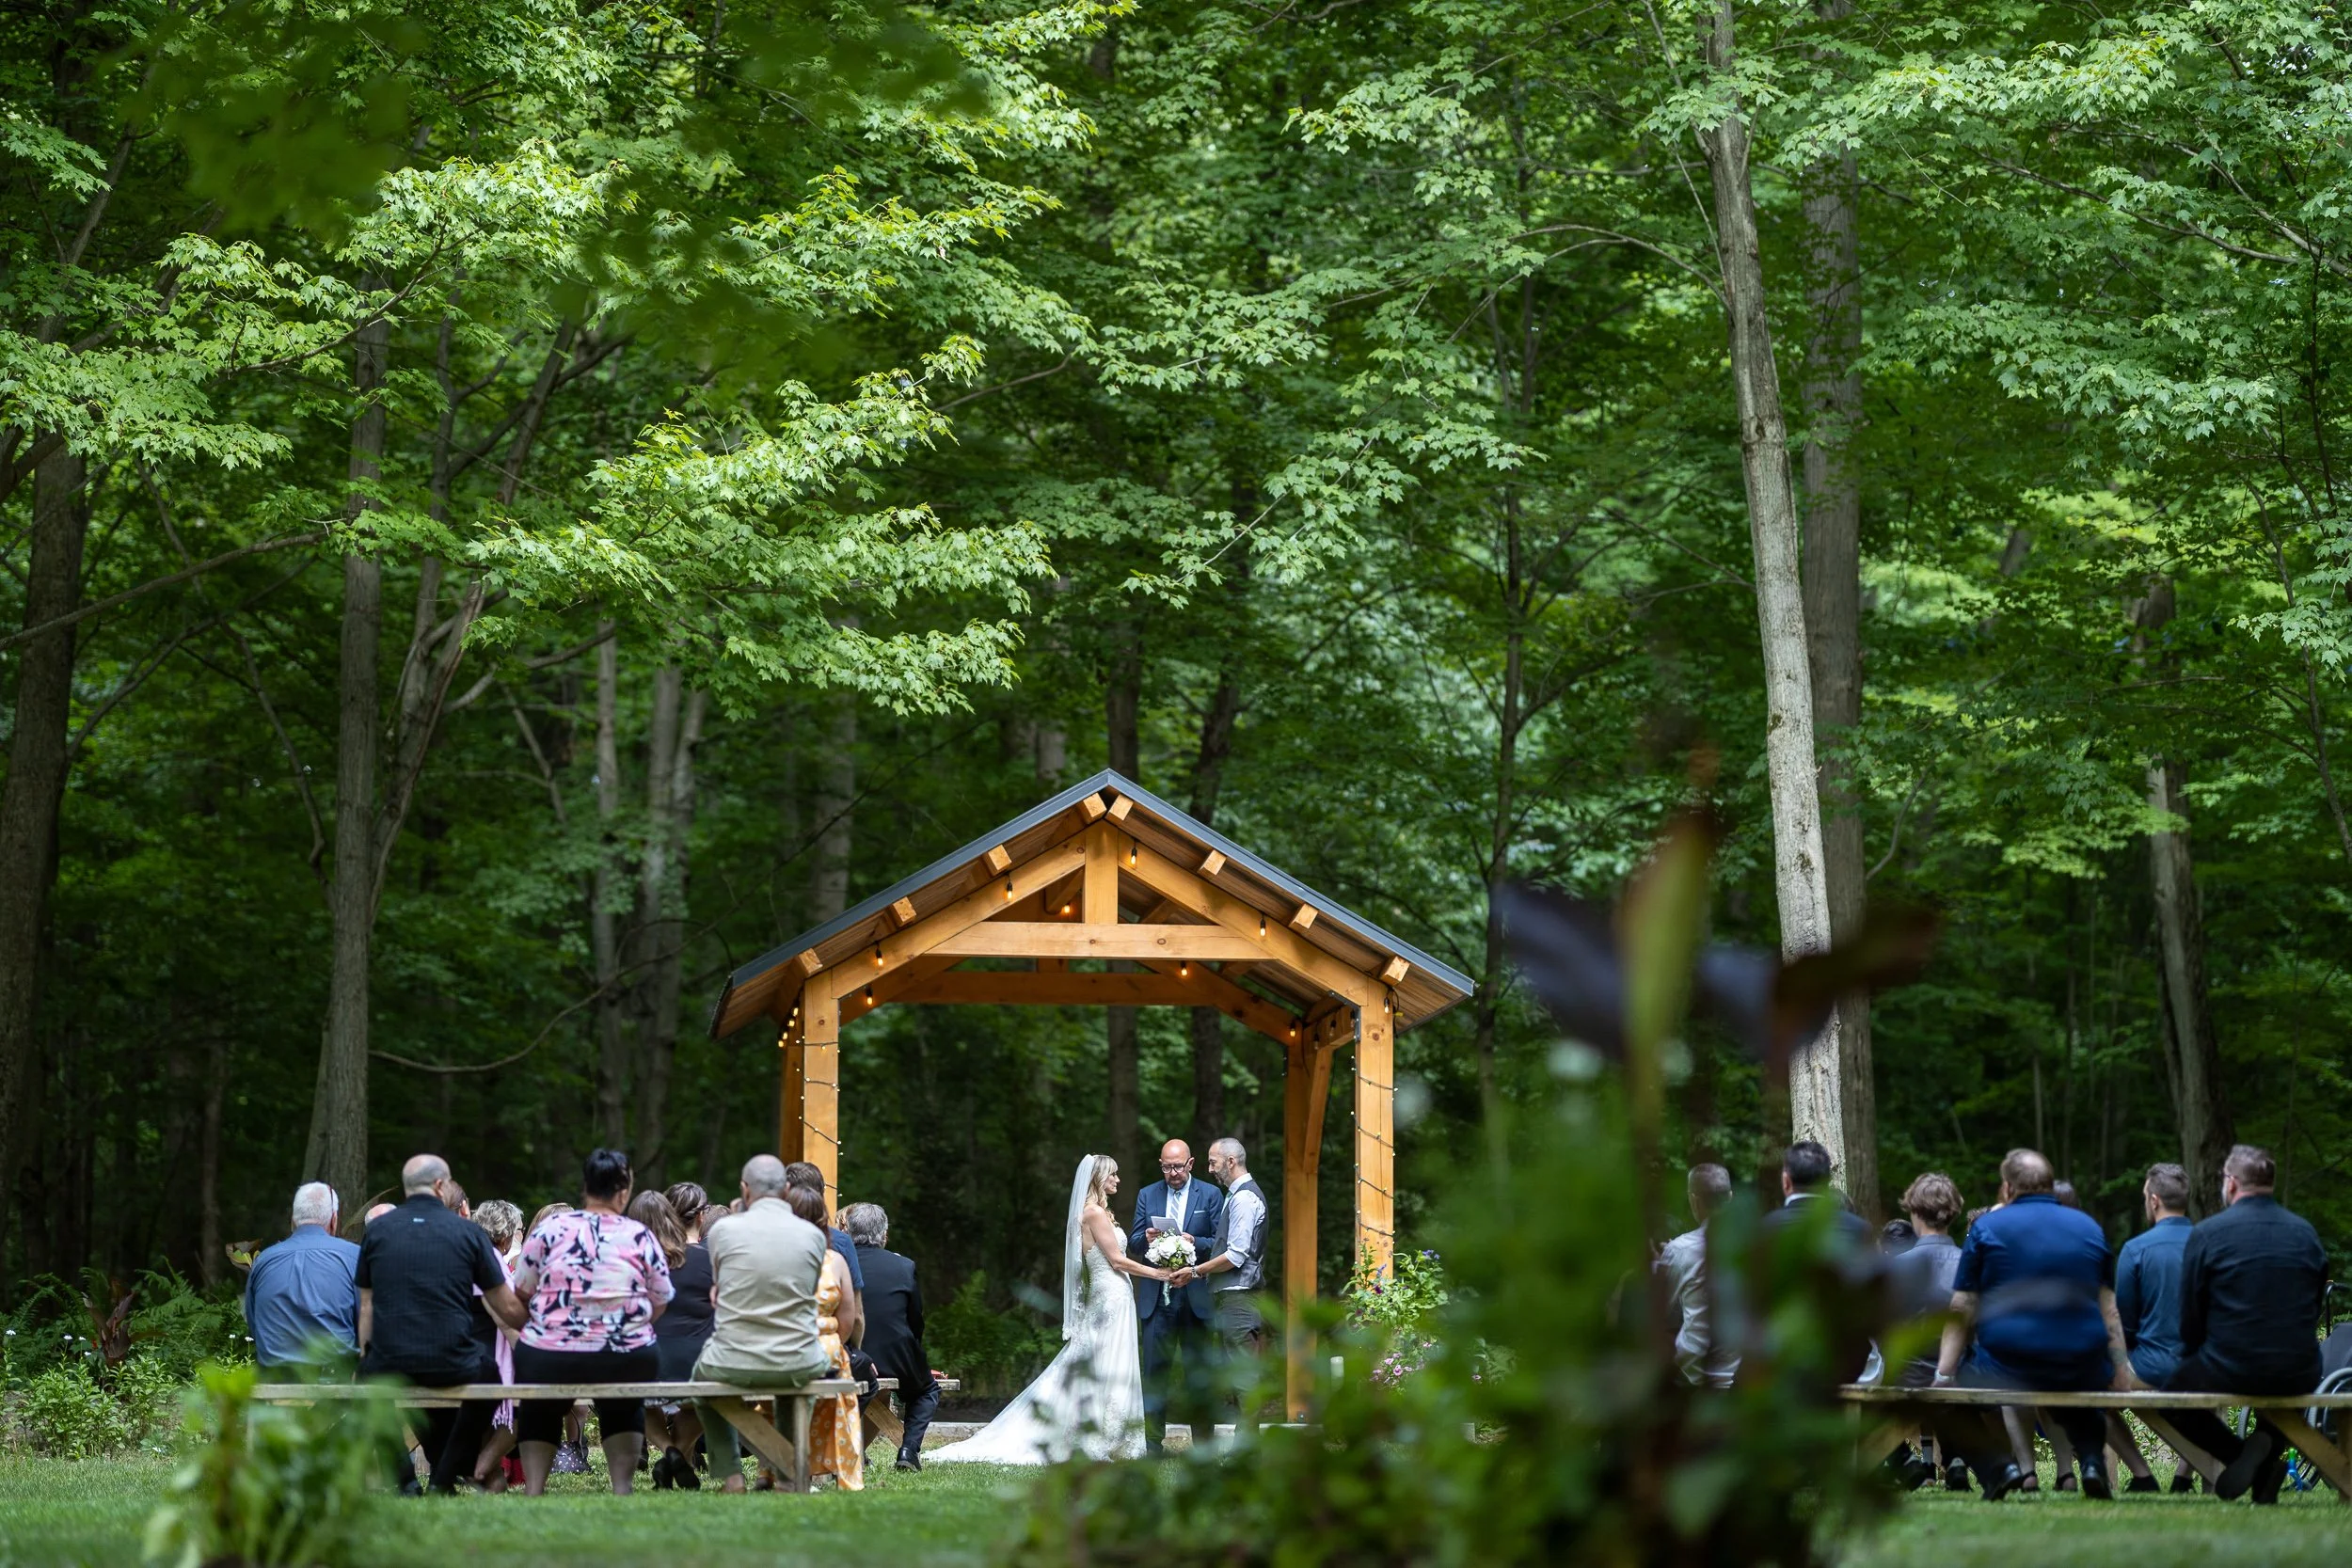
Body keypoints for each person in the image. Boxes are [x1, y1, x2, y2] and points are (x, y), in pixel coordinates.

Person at [935, 1154, 1172, 1465]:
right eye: (1112, 1175)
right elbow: (1116, 1261)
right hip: (1111, 1295)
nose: (1117, 1180)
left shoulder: (1096, 1213)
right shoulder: (1094, 1213)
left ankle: (1109, 1433)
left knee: (1107, 1361)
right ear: (1099, 1178)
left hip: (1113, 1294)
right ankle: (1105, 1435)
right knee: (1108, 1362)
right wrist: (1158, 1273)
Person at [1926, 1148, 2133, 1501]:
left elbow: (1963, 1305)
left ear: (2007, 1189)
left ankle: (1998, 1468)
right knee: (2072, 1376)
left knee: (1945, 1400)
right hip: (2080, 1361)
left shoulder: (1987, 1228)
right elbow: (2108, 1308)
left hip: (2009, 1364)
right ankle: (2092, 1462)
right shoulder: (2088, 1228)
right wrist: (2120, 1365)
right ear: (2051, 1186)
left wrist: (1943, 1376)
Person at [2157, 1145, 2328, 1504]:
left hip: (2230, 1365)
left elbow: (2191, 1319)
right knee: (2289, 1382)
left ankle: (2241, 1458)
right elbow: (2313, 1306)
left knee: (2170, 1396)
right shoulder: (2306, 1233)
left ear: (2232, 1184)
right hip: (2300, 1366)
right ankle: (2264, 1455)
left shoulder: (2208, 1233)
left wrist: (2192, 1356)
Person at [355, 1154, 526, 1495]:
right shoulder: (467, 1233)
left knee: (369, 1384)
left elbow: (367, 1306)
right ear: (440, 1186)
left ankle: (404, 1480)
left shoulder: (378, 1231)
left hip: (392, 1363)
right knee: (490, 1375)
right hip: (452, 1359)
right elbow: (505, 1305)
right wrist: (539, 1326)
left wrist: (367, 1358)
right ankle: (443, 1477)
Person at [510, 1148, 675, 1496]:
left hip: (549, 1353)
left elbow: (521, 1291)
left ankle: (534, 1488)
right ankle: (622, 1487)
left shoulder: (550, 1231)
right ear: (625, 1190)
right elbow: (659, 1299)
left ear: (585, 1187)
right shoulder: (640, 1235)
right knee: (624, 1402)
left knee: (539, 1407)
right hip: (624, 1352)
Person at [692, 1155, 834, 1494]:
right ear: (786, 1189)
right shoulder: (812, 1236)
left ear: (744, 1189)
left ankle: (732, 1477)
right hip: (798, 1358)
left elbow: (718, 1288)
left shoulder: (723, 1230)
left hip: (732, 1359)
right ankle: (788, 1477)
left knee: (700, 1386)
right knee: (793, 1391)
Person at [1126, 1137, 1225, 1452]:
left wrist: (1193, 1240)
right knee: (1155, 1373)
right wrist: (1147, 1236)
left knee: (1200, 1375)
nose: (1172, 1173)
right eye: (1167, 1167)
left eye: (1178, 1166)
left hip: (1195, 1296)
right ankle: (1153, 1445)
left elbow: (1221, 1242)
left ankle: (1205, 1447)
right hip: (1157, 1297)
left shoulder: (1210, 1194)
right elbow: (1133, 1244)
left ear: (1191, 1164)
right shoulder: (1147, 1194)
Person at [1170, 1137, 1270, 1411]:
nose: (1210, 1168)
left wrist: (1195, 1271)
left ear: (1230, 1161)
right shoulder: (1236, 1196)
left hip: (1240, 1298)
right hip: (1234, 1297)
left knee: (1244, 1377)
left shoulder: (1245, 1198)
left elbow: (1236, 1256)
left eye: (1213, 1162)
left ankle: (1249, 1449)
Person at [2114, 1163, 2196, 1492]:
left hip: (2149, 1367)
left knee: (2092, 1390)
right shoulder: (2210, 1244)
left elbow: (2124, 1324)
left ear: (2153, 1200)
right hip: (2202, 1368)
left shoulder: (2135, 1249)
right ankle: (2183, 1477)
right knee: (2212, 1397)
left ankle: (2141, 1474)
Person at [841, 1200, 940, 1472]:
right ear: (884, 1235)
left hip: (850, 1356)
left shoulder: (837, 1264)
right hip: (896, 1354)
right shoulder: (904, 1267)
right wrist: (913, 1351)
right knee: (926, 1389)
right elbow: (915, 1319)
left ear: (848, 1232)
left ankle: (851, 1450)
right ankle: (908, 1450)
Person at [1883, 1173, 1963, 1490]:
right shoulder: (1970, 1262)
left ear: (1913, 1212)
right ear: (1953, 1213)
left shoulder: (1898, 1266)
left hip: (1910, 1373)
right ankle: (1956, 1458)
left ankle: (1903, 1459)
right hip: (1962, 1370)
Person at [631, 1189, 711, 1490]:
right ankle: (674, 1454)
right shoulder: (706, 1259)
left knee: (639, 1401)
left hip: (648, 1359)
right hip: (699, 1361)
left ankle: (669, 1452)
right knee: (703, 1404)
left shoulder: (635, 1261)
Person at [789, 1183, 866, 1490]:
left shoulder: (773, 1258)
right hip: (824, 1352)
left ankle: (779, 1465)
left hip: (776, 1347)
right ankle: (819, 1468)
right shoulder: (834, 1260)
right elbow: (848, 1320)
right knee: (832, 1385)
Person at [245, 1181, 360, 1371]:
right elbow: (367, 1323)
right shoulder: (355, 1257)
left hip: (275, 1384)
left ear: (293, 1221)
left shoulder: (263, 1261)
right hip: (337, 1383)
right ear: (334, 1220)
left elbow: (254, 1326)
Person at [1655, 1164, 1738, 1387]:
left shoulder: (1680, 1250)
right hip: (1747, 1382)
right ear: (1730, 1197)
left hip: (1693, 1382)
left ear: (1694, 1200)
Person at [467, 1200, 525, 1492]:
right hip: (488, 1355)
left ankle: (490, 1480)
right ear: (504, 1235)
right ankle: (478, 1469)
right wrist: (527, 1355)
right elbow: (503, 1316)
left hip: (472, 1350)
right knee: (526, 1411)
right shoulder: (488, 1259)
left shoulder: (470, 1254)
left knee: (488, 1431)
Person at [782, 1161, 866, 1294]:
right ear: (822, 1192)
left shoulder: (769, 1237)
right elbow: (856, 1312)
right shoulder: (841, 1242)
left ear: (784, 1193)